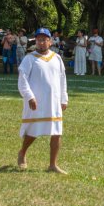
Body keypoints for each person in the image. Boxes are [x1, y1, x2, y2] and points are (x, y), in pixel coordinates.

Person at [17, 28, 68, 174]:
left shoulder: (56, 58)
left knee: (57, 132)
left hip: (54, 101)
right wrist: (30, 97)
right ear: (36, 41)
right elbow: (22, 80)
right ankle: (22, 152)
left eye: (44, 40)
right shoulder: (29, 59)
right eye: (39, 40)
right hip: (37, 101)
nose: (41, 42)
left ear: (50, 42)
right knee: (34, 130)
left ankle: (53, 164)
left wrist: (64, 98)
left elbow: (62, 79)